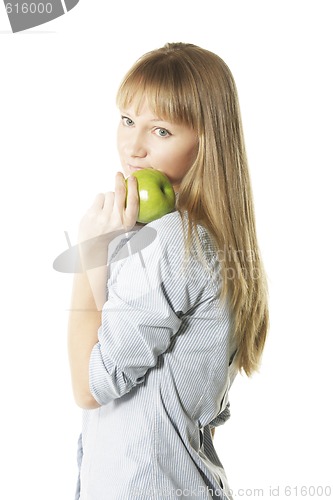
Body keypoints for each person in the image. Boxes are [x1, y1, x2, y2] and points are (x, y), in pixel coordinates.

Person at [67, 42, 269, 500]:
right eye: (127, 120)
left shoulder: (171, 241)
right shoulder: (209, 238)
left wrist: (86, 254)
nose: (133, 147)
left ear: (206, 141)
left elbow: (89, 386)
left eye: (160, 131)